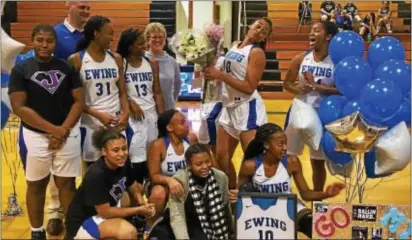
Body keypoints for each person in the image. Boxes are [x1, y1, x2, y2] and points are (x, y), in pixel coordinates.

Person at [9, 24, 85, 240]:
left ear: (55, 43)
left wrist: (63, 130)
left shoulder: (66, 67)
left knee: (67, 183)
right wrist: (54, 130)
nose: (44, 45)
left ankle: (71, 230)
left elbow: (79, 101)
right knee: (36, 183)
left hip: (66, 132)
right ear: (32, 40)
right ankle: (36, 231)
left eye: (49, 41)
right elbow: (19, 107)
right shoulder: (21, 69)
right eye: (40, 40)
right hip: (35, 135)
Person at [229, 123, 345, 238]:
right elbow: (241, 199)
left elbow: (305, 194)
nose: (285, 148)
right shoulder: (250, 166)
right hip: (263, 211)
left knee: (314, 225)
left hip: (291, 207)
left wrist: (326, 194)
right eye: (280, 144)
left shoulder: (292, 162)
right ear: (266, 145)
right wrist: (235, 198)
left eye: (286, 143)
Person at [203, 17, 272, 189]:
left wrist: (221, 76)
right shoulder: (235, 45)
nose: (259, 30)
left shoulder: (257, 53)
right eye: (258, 26)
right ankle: (232, 194)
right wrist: (213, 74)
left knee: (251, 159)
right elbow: (227, 72)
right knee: (220, 157)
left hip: (247, 106)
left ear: (264, 38)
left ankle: (249, 194)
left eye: (264, 31)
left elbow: (249, 87)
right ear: (250, 26)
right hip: (229, 107)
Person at [45, 2, 90, 235]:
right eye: (81, 6)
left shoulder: (93, 33)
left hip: (92, 109)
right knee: (61, 164)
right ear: (68, 5)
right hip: (64, 109)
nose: (86, 11)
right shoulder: (54, 35)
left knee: (86, 162)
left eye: (88, 8)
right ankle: (55, 212)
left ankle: (81, 210)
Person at [64, 129, 156, 240]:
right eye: (116, 150)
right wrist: (138, 210)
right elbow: (105, 213)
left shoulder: (124, 162)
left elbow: (132, 185)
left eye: (124, 148)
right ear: (104, 151)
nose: (122, 154)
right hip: (84, 221)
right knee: (129, 232)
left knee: (137, 191)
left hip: (104, 209)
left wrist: (141, 202)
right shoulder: (96, 175)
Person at [283, 21, 339, 193]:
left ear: (328, 36)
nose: (311, 34)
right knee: (288, 156)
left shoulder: (336, 63)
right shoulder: (301, 58)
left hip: (322, 115)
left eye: (316, 30)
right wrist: (298, 88)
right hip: (299, 112)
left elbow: (343, 91)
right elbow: (287, 84)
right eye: (311, 31)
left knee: (317, 161)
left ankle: (317, 199)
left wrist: (319, 88)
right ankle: (284, 194)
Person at [69, 15, 129, 166]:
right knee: (93, 171)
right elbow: (74, 99)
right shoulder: (77, 60)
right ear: (96, 34)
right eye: (109, 33)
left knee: (118, 169)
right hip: (91, 125)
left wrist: (125, 114)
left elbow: (122, 91)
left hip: (116, 124)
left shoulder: (116, 58)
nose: (112, 37)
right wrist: (98, 115)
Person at [149, 144, 234, 240]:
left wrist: (232, 231)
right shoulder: (180, 179)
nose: (205, 166)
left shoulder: (221, 177)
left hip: (205, 223)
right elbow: (177, 216)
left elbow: (225, 207)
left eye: (207, 161)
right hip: (180, 221)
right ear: (189, 165)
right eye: (199, 164)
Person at [116, 28, 165, 185]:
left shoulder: (152, 63)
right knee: (135, 156)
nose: (145, 45)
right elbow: (117, 90)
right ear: (130, 46)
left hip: (151, 115)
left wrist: (163, 119)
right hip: (132, 117)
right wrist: (129, 101)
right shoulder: (121, 63)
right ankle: (133, 195)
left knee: (152, 156)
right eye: (140, 43)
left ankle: (148, 195)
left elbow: (157, 92)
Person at [147, 109, 198, 226]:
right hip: (163, 184)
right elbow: (154, 176)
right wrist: (170, 180)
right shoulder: (158, 145)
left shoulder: (192, 139)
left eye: (186, 121)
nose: (187, 124)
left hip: (187, 182)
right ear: (170, 128)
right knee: (158, 193)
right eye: (182, 122)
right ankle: (148, 228)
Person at [144, 22, 181, 110]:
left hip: (168, 109)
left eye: (161, 37)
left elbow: (177, 85)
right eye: (154, 37)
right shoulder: (142, 59)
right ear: (147, 39)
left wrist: (172, 102)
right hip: (147, 110)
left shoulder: (172, 62)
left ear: (165, 40)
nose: (157, 40)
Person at [197, 53, 225, 157]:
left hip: (218, 102)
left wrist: (217, 76)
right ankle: (207, 164)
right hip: (205, 103)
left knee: (216, 145)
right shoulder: (201, 61)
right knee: (203, 142)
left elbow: (225, 80)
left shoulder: (222, 60)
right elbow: (196, 80)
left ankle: (218, 168)